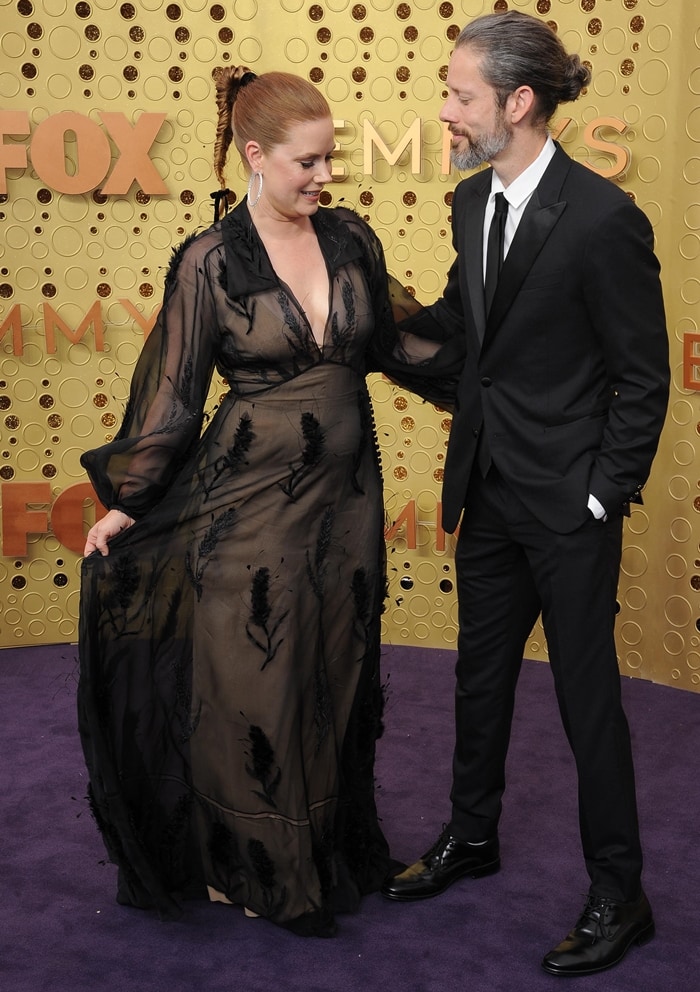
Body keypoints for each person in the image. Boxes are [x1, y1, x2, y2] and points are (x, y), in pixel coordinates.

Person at [78, 66, 452, 937]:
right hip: (243, 503)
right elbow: (171, 393)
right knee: (252, 685)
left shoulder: (352, 237)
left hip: (346, 503)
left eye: (331, 160)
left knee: (332, 671)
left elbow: (405, 343)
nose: (327, 178)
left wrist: (504, 353)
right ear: (256, 155)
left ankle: (322, 846)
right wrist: (130, 500)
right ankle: (245, 865)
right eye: (308, 163)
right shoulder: (211, 259)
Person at [380, 11, 670, 977]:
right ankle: (473, 836)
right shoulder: (471, 207)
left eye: (461, 96)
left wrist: (601, 496)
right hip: (491, 491)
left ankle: (620, 896)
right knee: (479, 679)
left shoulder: (602, 218)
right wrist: (364, 315)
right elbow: (471, 353)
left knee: (590, 705)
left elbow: (642, 376)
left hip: (569, 507)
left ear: (518, 102)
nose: (447, 112)